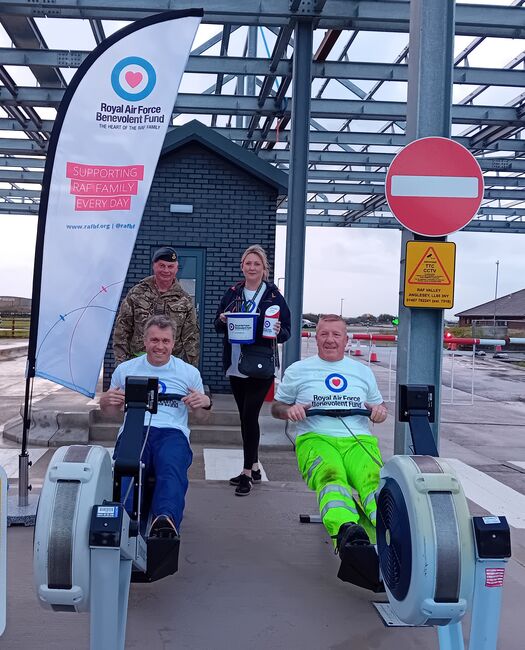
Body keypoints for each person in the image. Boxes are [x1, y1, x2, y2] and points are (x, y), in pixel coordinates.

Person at [271, 314, 387, 563]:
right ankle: (348, 534)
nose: (330, 340)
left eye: (336, 335)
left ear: (346, 339)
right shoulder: (299, 370)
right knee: (332, 478)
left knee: (373, 482)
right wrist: (289, 411)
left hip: (358, 441)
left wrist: (379, 413)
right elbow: (276, 407)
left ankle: (391, 534)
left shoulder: (362, 372)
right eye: (324, 334)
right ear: (315, 337)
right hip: (316, 438)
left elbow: (380, 408)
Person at [100, 315, 211, 538]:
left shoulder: (188, 373)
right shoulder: (125, 370)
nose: (159, 346)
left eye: (165, 341)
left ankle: (165, 520)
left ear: (173, 343)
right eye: (154, 340)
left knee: (171, 466)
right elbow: (111, 414)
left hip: (172, 432)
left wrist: (205, 404)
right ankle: (123, 520)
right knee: (128, 466)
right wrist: (105, 402)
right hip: (135, 428)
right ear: (144, 341)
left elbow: (201, 417)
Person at [214, 244, 291, 496]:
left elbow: (286, 331)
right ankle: (255, 467)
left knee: (249, 416)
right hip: (236, 364)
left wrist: (279, 332)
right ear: (242, 266)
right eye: (248, 263)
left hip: (261, 365)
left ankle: (246, 473)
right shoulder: (233, 292)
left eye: (257, 264)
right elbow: (217, 324)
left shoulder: (273, 295)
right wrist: (223, 320)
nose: (252, 267)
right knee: (244, 417)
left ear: (264, 268)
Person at [113, 246, 200, 367]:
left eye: (170, 266)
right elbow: (122, 330)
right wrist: (121, 364)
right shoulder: (136, 293)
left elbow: (191, 338)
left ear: (176, 269)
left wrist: (190, 370)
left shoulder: (184, 300)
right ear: (154, 266)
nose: (166, 270)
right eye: (162, 265)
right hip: (138, 362)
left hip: (171, 365)